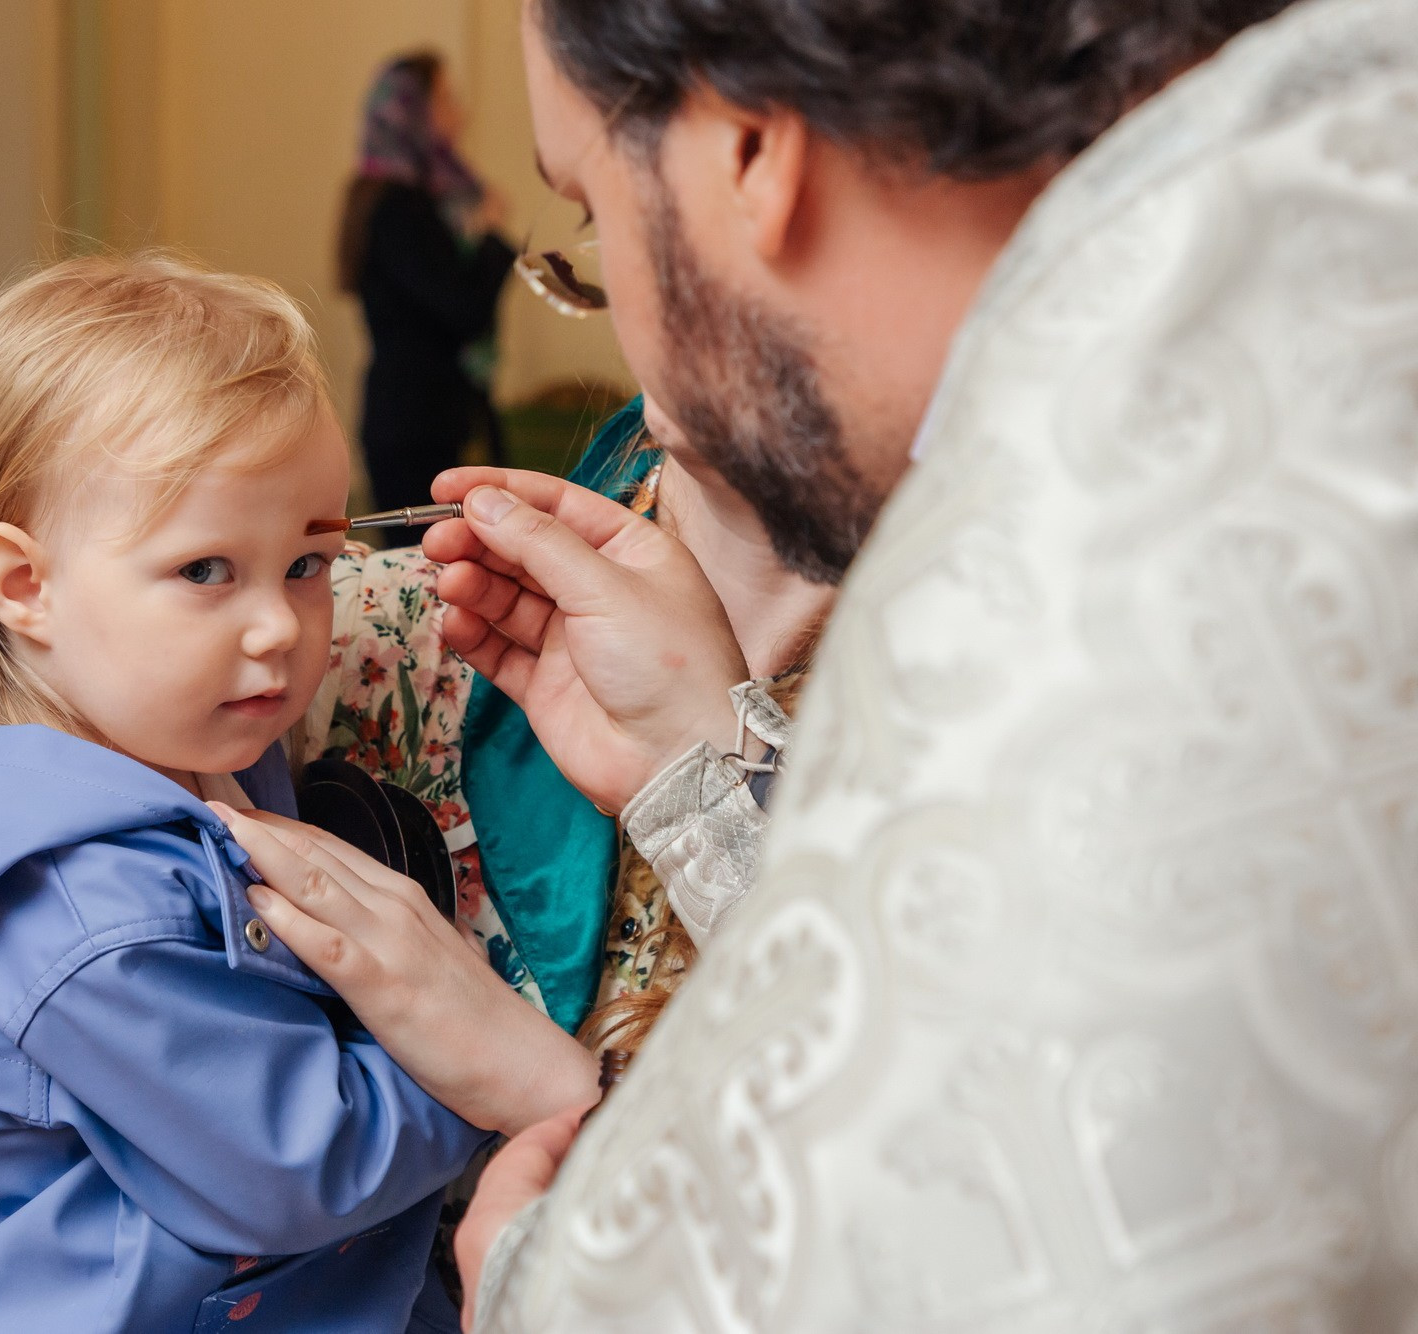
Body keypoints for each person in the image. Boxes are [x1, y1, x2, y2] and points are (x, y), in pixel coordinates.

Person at [225, 0, 1418, 1327]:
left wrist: (541, 1278)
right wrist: (701, 771)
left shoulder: (1115, 530)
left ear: (751, 148)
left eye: (596, 211)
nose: (628, 339)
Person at [0, 253, 596, 1334]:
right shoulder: (78, 910)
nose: (279, 626)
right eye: (204, 572)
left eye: (306, 562)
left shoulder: (149, 728)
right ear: (23, 584)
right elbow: (300, 1161)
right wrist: (480, 1072)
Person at [338, 52, 516, 544]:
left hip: (427, 412)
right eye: (444, 99)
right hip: (416, 422)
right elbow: (464, 309)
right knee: (426, 577)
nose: (460, 111)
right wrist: (491, 236)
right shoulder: (398, 206)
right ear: (410, 112)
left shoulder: (419, 199)